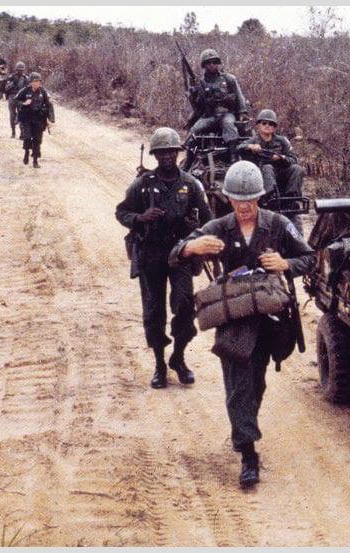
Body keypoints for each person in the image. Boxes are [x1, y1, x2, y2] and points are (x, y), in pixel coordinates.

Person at [169, 160, 315, 489]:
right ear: (228, 199)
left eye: (251, 200)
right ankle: (248, 453)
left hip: (268, 316)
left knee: (257, 381)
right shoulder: (219, 226)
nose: (245, 207)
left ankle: (244, 428)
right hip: (234, 317)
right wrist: (192, 247)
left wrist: (285, 263)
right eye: (238, 200)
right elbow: (175, 253)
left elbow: (309, 257)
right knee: (238, 385)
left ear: (260, 198)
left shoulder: (277, 224)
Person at [115, 127, 213, 389]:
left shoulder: (190, 185)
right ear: (155, 156)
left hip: (181, 254)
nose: (168, 157)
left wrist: (196, 231)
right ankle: (159, 363)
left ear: (177, 154)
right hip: (151, 255)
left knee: (184, 307)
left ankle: (178, 358)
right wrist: (139, 219)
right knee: (153, 312)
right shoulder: (143, 185)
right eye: (162, 153)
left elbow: (210, 220)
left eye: (171, 152)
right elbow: (121, 212)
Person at [237, 109, 306, 235]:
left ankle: (290, 200)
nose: (267, 126)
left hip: (281, 175)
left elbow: (293, 159)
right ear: (258, 125)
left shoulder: (282, 141)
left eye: (271, 124)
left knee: (297, 169)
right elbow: (239, 148)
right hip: (262, 179)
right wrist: (251, 147)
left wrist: (281, 158)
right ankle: (271, 200)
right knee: (268, 167)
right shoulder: (253, 140)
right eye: (264, 123)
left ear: (274, 127)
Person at [181, 48, 249, 170]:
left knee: (230, 126)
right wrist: (193, 89)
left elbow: (239, 96)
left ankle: (233, 158)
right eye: (208, 63)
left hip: (226, 113)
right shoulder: (200, 82)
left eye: (214, 62)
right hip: (209, 115)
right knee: (194, 131)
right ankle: (189, 160)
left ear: (218, 63)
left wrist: (242, 112)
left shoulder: (228, 79)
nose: (211, 65)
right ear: (204, 65)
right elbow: (196, 103)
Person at [14, 72, 55, 168]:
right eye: (35, 81)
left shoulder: (43, 92)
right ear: (31, 82)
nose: (37, 83)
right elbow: (16, 100)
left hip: (39, 119)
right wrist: (24, 103)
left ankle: (35, 160)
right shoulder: (24, 91)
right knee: (27, 137)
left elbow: (49, 105)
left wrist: (51, 119)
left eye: (39, 81)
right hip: (27, 118)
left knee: (37, 140)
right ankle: (26, 152)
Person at [4, 61, 29, 138]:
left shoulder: (26, 79)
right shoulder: (11, 77)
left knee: (22, 115)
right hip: (12, 97)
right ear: (16, 70)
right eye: (18, 70)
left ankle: (22, 133)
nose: (20, 72)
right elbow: (6, 88)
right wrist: (12, 84)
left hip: (21, 98)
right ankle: (13, 132)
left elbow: (28, 90)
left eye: (21, 70)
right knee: (12, 115)